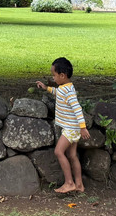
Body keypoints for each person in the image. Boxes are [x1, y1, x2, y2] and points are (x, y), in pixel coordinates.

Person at [36, 57, 89, 193]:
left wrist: (83, 127)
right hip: (72, 128)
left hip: (71, 129)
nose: (53, 78)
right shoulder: (65, 88)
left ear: (62, 75)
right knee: (72, 155)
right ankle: (79, 185)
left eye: (54, 75)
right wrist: (46, 88)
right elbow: (57, 93)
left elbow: (77, 109)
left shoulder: (69, 92)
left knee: (58, 152)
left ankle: (69, 183)